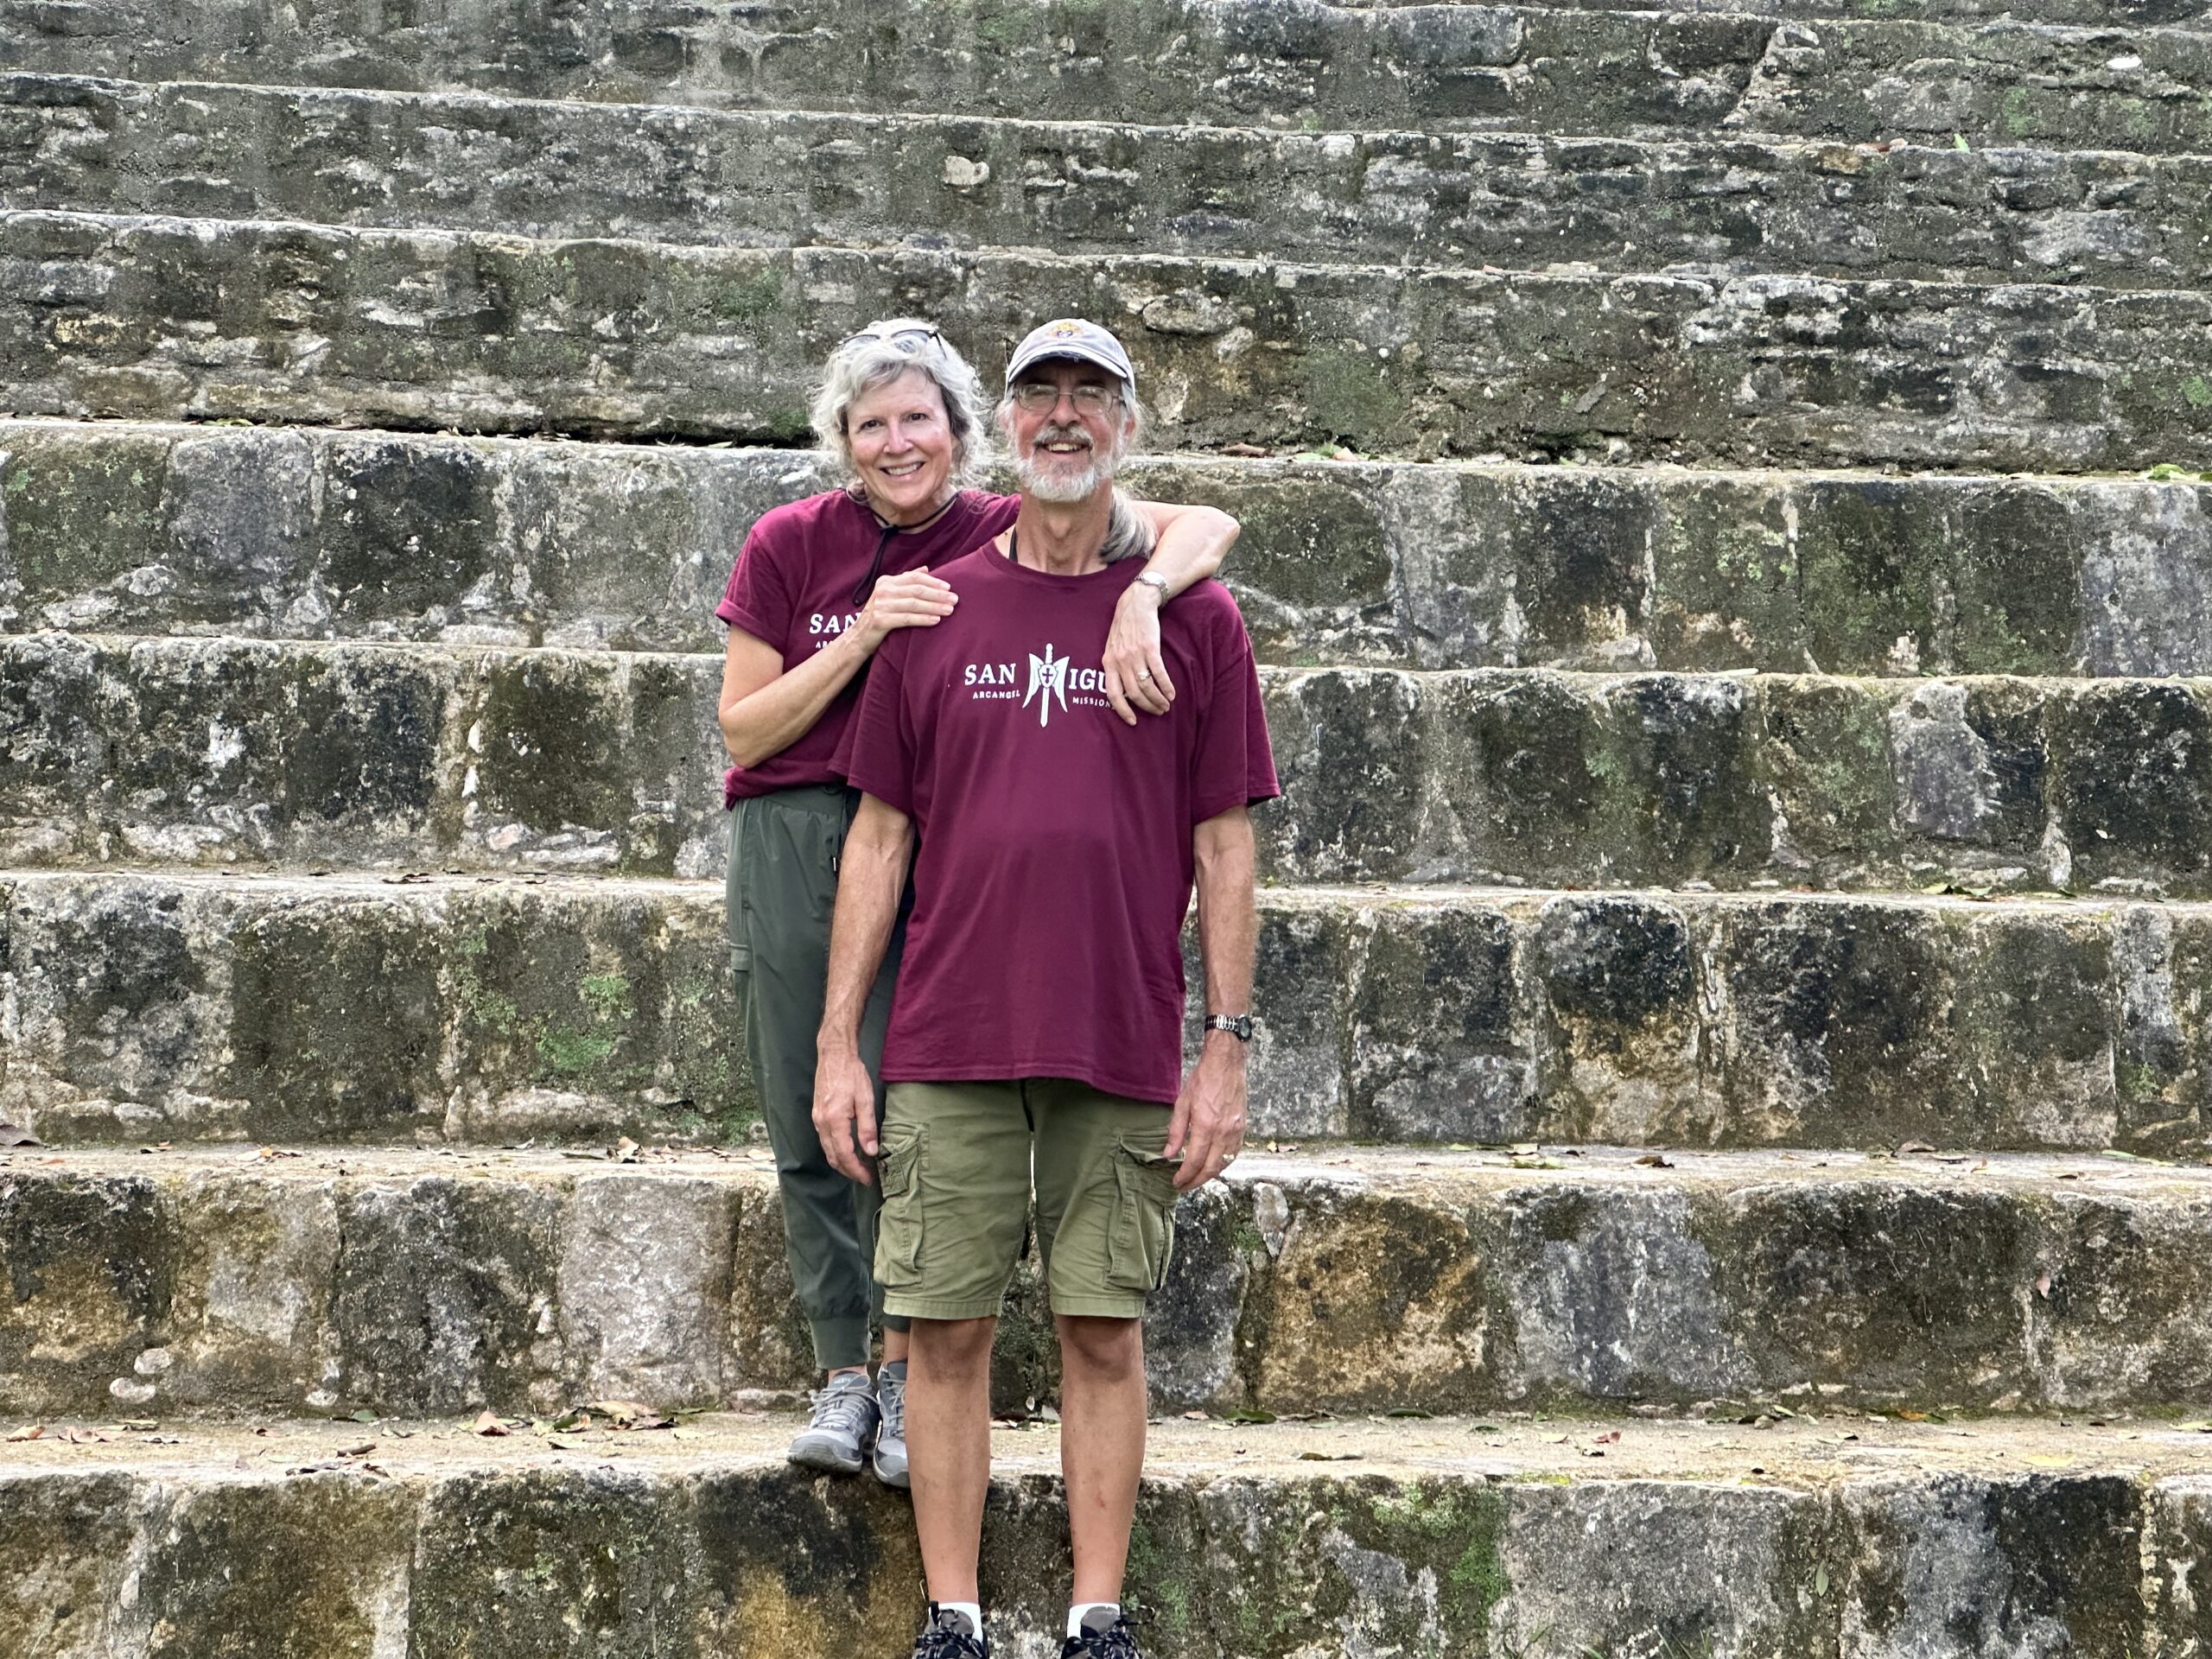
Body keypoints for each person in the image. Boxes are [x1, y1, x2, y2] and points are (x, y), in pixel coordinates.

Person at [813, 318, 1278, 1657]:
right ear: (1004, 427)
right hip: (950, 1029)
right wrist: (840, 1045)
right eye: (1040, 396)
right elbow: (878, 840)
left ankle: (1096, 1614)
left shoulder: (1199, 621)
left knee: (1103, 1327)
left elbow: (1226, 847)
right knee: (944, 1331)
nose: (1063, 417)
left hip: (1116, 1029)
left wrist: (1225, 1046)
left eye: (1091, 396)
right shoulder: (937, 610)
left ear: (1127, 426)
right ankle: (953, 1616)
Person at [715, 319, 1240, 1488]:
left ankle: (908, 1368)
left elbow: (1206, 525)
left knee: (914, 1104)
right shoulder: (789, 541)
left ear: (963, 434)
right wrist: (869, 631)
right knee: (812, 1098)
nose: (897, 443)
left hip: (935, 831)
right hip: (799, 827)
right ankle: (843, 1369)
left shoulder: (1006, 524)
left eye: (919, 419)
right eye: (871, 425)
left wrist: (1144, 594)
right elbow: (744, 730)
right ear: (842, 442)